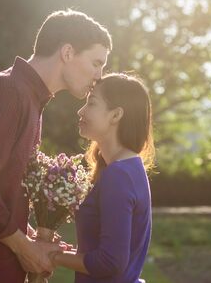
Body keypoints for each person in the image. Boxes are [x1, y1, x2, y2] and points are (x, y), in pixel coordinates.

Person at [0, 9, 112, 283]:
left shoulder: (29, 98)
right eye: (97, 63)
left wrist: (32, 240)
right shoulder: (8, 93)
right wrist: (24, 248)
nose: (99, 75)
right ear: (68, 52)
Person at [51, 73, 155, 283]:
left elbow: (110, 263)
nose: (80, 110)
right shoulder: (127, 169)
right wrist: (65, 252)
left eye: (91, 103)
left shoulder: (119, 175)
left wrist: (52, 256)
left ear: (116, 115)